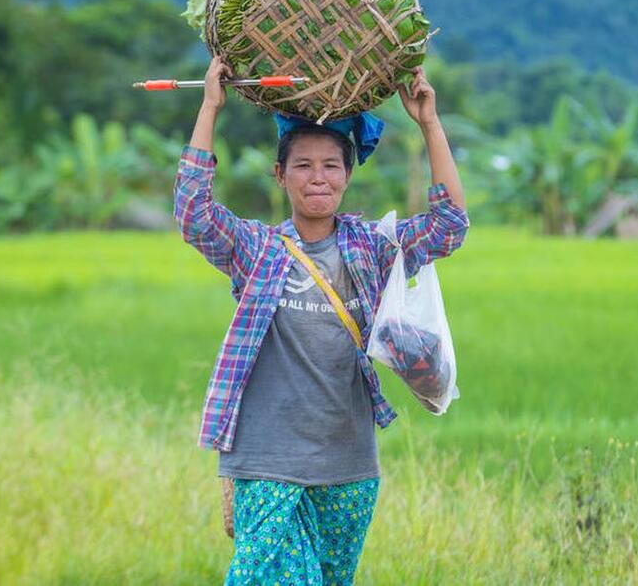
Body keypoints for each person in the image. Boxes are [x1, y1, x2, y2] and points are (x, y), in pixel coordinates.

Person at [173, 56, 469, 585]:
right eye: (303, 165)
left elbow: (449, 226)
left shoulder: (375, 249)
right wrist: (210, 106)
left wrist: (429, 121)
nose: (318, 178)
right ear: (280, 175)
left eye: (331, 165)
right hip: (266, 463)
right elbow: (193, 215)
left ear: (348, 176)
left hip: (349, 466)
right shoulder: (257, 249)